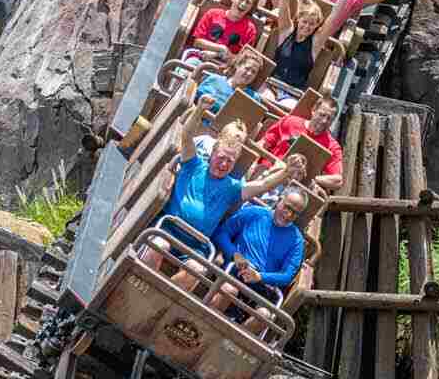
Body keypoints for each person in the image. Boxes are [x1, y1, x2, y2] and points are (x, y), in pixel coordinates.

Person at [141, 96, 305, 288]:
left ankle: (157, 302)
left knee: (198, 269)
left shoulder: (232, 186)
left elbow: (263, 185)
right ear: (212, 154)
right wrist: (199, 109)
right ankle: (140, 285)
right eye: (221, 158)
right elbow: (186, 135)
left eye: (230, 161)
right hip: (169, 229)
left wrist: (286, 171)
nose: (224, 164)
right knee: (158, 246)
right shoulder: (194, 165)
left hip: (197, 245)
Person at [207, 187, 310, 333]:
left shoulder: (296, 241)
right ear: (280, 199)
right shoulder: (255, 213)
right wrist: (235, 255)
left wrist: (260, 277)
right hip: (235, 272)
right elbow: (221, 233)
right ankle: (203, 327)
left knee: (265, 315)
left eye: (295, 213)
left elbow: (287, 276)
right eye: (287, 207)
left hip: (262, 286)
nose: (288, 215)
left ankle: (229, 345)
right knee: (229, 290)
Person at [264, 0, 342, 99]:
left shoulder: (315, 43)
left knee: (286, 109)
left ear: (317, 26)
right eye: (304, 22)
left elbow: (333, 19)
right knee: (265, 99)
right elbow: (284, 6)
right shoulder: (286, 32)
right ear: (298, 20)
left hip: (293, 93)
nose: (307, 26)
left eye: (312, 24)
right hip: (272, 86)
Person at [258, 95, 344, 192]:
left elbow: (338, 181)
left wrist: (311, 179)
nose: (324, 121)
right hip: (269, 172)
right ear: (313, 110)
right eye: (322, 115)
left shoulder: (332, 146)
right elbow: (263, 143)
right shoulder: (290, 122)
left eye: (329, 119)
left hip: (293, 189)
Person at [185, 0, 259, 63]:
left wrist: (216, 54)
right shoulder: (212, 14)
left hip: (224, 66)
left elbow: (242, 60)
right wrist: (221, 48)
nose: (243, 4)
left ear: (251, 7)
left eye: (248, 2)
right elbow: (197, 42)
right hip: (199, 57)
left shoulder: (250, 29)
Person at [193, 50, 265, 113]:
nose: (249, 74)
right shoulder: (215, 80)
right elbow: (194, 99)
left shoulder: (253, 98)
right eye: (247, 68)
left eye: (253, 72)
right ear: (238, 65)